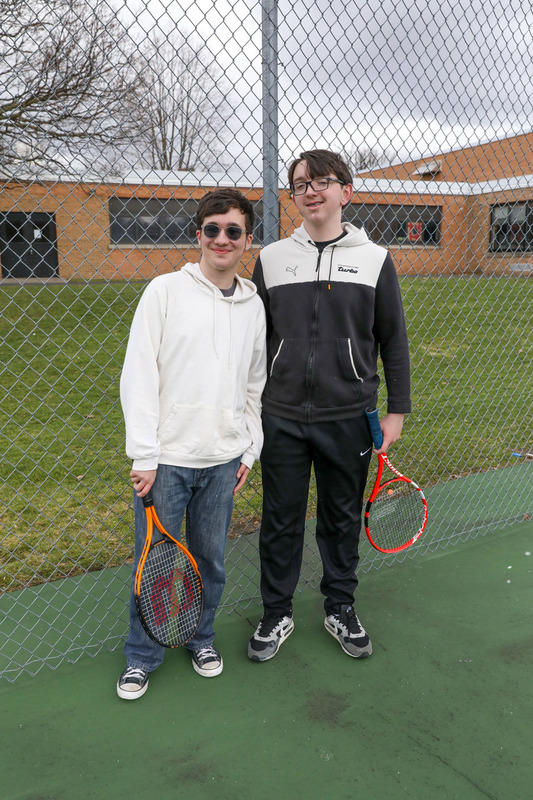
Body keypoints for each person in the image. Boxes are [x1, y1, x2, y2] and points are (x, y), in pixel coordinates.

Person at [248, 149, 411, 662]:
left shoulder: (376, 259)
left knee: (341, 518)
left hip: (349, 416)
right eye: (300, 184)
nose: (310, 191)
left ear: (346, 191)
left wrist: (396, 412)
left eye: (322, 181)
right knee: (280, 519)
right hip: (281, 415)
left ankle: (340, 606)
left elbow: (394, 340)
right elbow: (254, 341)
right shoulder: (272, 259)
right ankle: (276, 613)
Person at [117, 188, 267, 699]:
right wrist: (145, 455)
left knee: (210, 562)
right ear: (197, 234)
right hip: (167, 463)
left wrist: (249, 448)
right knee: (154, 562)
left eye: (233, 231)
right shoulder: (164, 292)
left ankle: (201, 638)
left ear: (248, 239)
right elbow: (139, 374)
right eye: (212, 229)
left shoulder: (253, 306)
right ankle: (142, 656)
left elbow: (254, 384)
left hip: (223, 462)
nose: (222, 239)